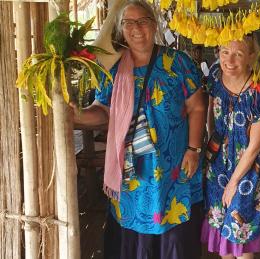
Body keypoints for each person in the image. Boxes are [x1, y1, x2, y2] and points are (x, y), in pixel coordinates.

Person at [73, 1, 206, 258]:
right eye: (129, 23)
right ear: (121, 29)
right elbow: (103, 112)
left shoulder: (178, 62)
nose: (136, 28)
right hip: (131, 171)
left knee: (174, 224)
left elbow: (197, 107)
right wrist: (74, 116)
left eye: (143, 21)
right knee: (135, 226)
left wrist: (193, 148)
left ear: (154, 25)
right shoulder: (112, 69)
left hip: (174, 166)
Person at [201, 36, 260, 259]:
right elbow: (210, 113)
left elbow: (255, 145)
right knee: (222, 220)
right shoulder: (215, 76)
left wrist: (234, 182)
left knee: (240, 228)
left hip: (249, 166)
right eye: (225, 52)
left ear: (251, 57)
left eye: (238, 54)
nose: (229, 60)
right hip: (218, 161)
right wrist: (210, 141)